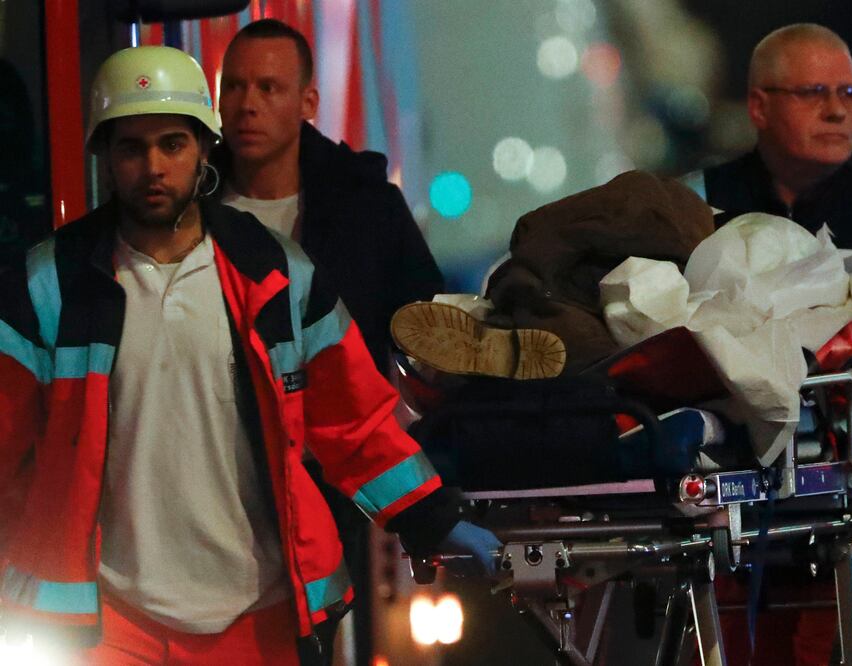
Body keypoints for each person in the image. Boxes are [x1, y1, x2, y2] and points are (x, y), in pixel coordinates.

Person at [0, 45, 498, 666]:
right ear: (104, 155)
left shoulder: (275, 273)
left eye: (172, 144)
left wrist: (430, 517)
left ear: (205, 150)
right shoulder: (46, 285)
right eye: (132, 147)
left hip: (256, 617)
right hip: (106, 621)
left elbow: (353, 421)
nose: (153, 166)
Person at [681, 23, 852, 665]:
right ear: (758, 106)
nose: (838, 109)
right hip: (726, 515)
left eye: (850, 92)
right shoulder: (691, 209)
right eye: (814, 92)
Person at [211, 19, 446, 664]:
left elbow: (424, 327)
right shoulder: (185, 211)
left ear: (309, 103)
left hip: (330, 479)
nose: (246, 104)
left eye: (268, 87)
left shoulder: (366, 208)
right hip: (213, 475)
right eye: (233, 87)